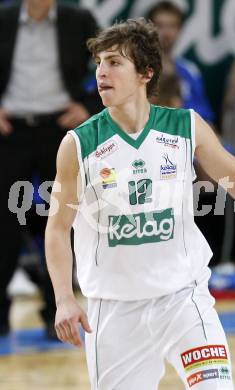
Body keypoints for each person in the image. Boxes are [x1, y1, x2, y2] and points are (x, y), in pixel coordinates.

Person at [45, 18, 235, 389]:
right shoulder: (78, 144)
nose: (101, 72)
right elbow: (58, 229)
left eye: (114, 62)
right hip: (114, 310)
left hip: (183, 299)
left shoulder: (185, 126)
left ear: (145, 72)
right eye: (99, 63)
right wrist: (64, 299)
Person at [0, 0, 101, 338]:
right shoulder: (4, 18)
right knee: (5, 221)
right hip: (9, 130)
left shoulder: (78, 19)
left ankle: (57, 309)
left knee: (61, 219)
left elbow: (112, 59)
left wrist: (86, 106)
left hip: (60, 129)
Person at [147, 1, 215, 123]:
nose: (166, 33)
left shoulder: (190, 71)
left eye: (172, 26)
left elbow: (206, 118)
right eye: (160, 25)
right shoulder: (137, 69)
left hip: (190, 134)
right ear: (149, 29)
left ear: (180, 30)